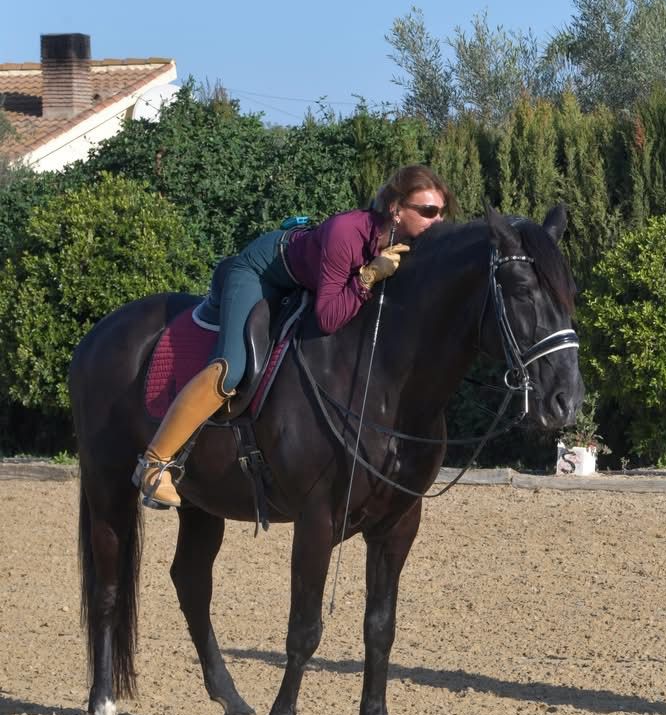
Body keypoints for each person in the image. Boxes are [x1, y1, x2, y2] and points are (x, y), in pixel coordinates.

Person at [134, 164, 454, 509]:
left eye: (441, 213)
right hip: (260, 272)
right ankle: (155, 462)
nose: (437, 221)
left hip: (302, 278)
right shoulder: (345, 233)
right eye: (428, 211)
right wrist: (368, 277)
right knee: (233, 367)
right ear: (396, 209)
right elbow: (328, 316)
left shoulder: (411, 243)